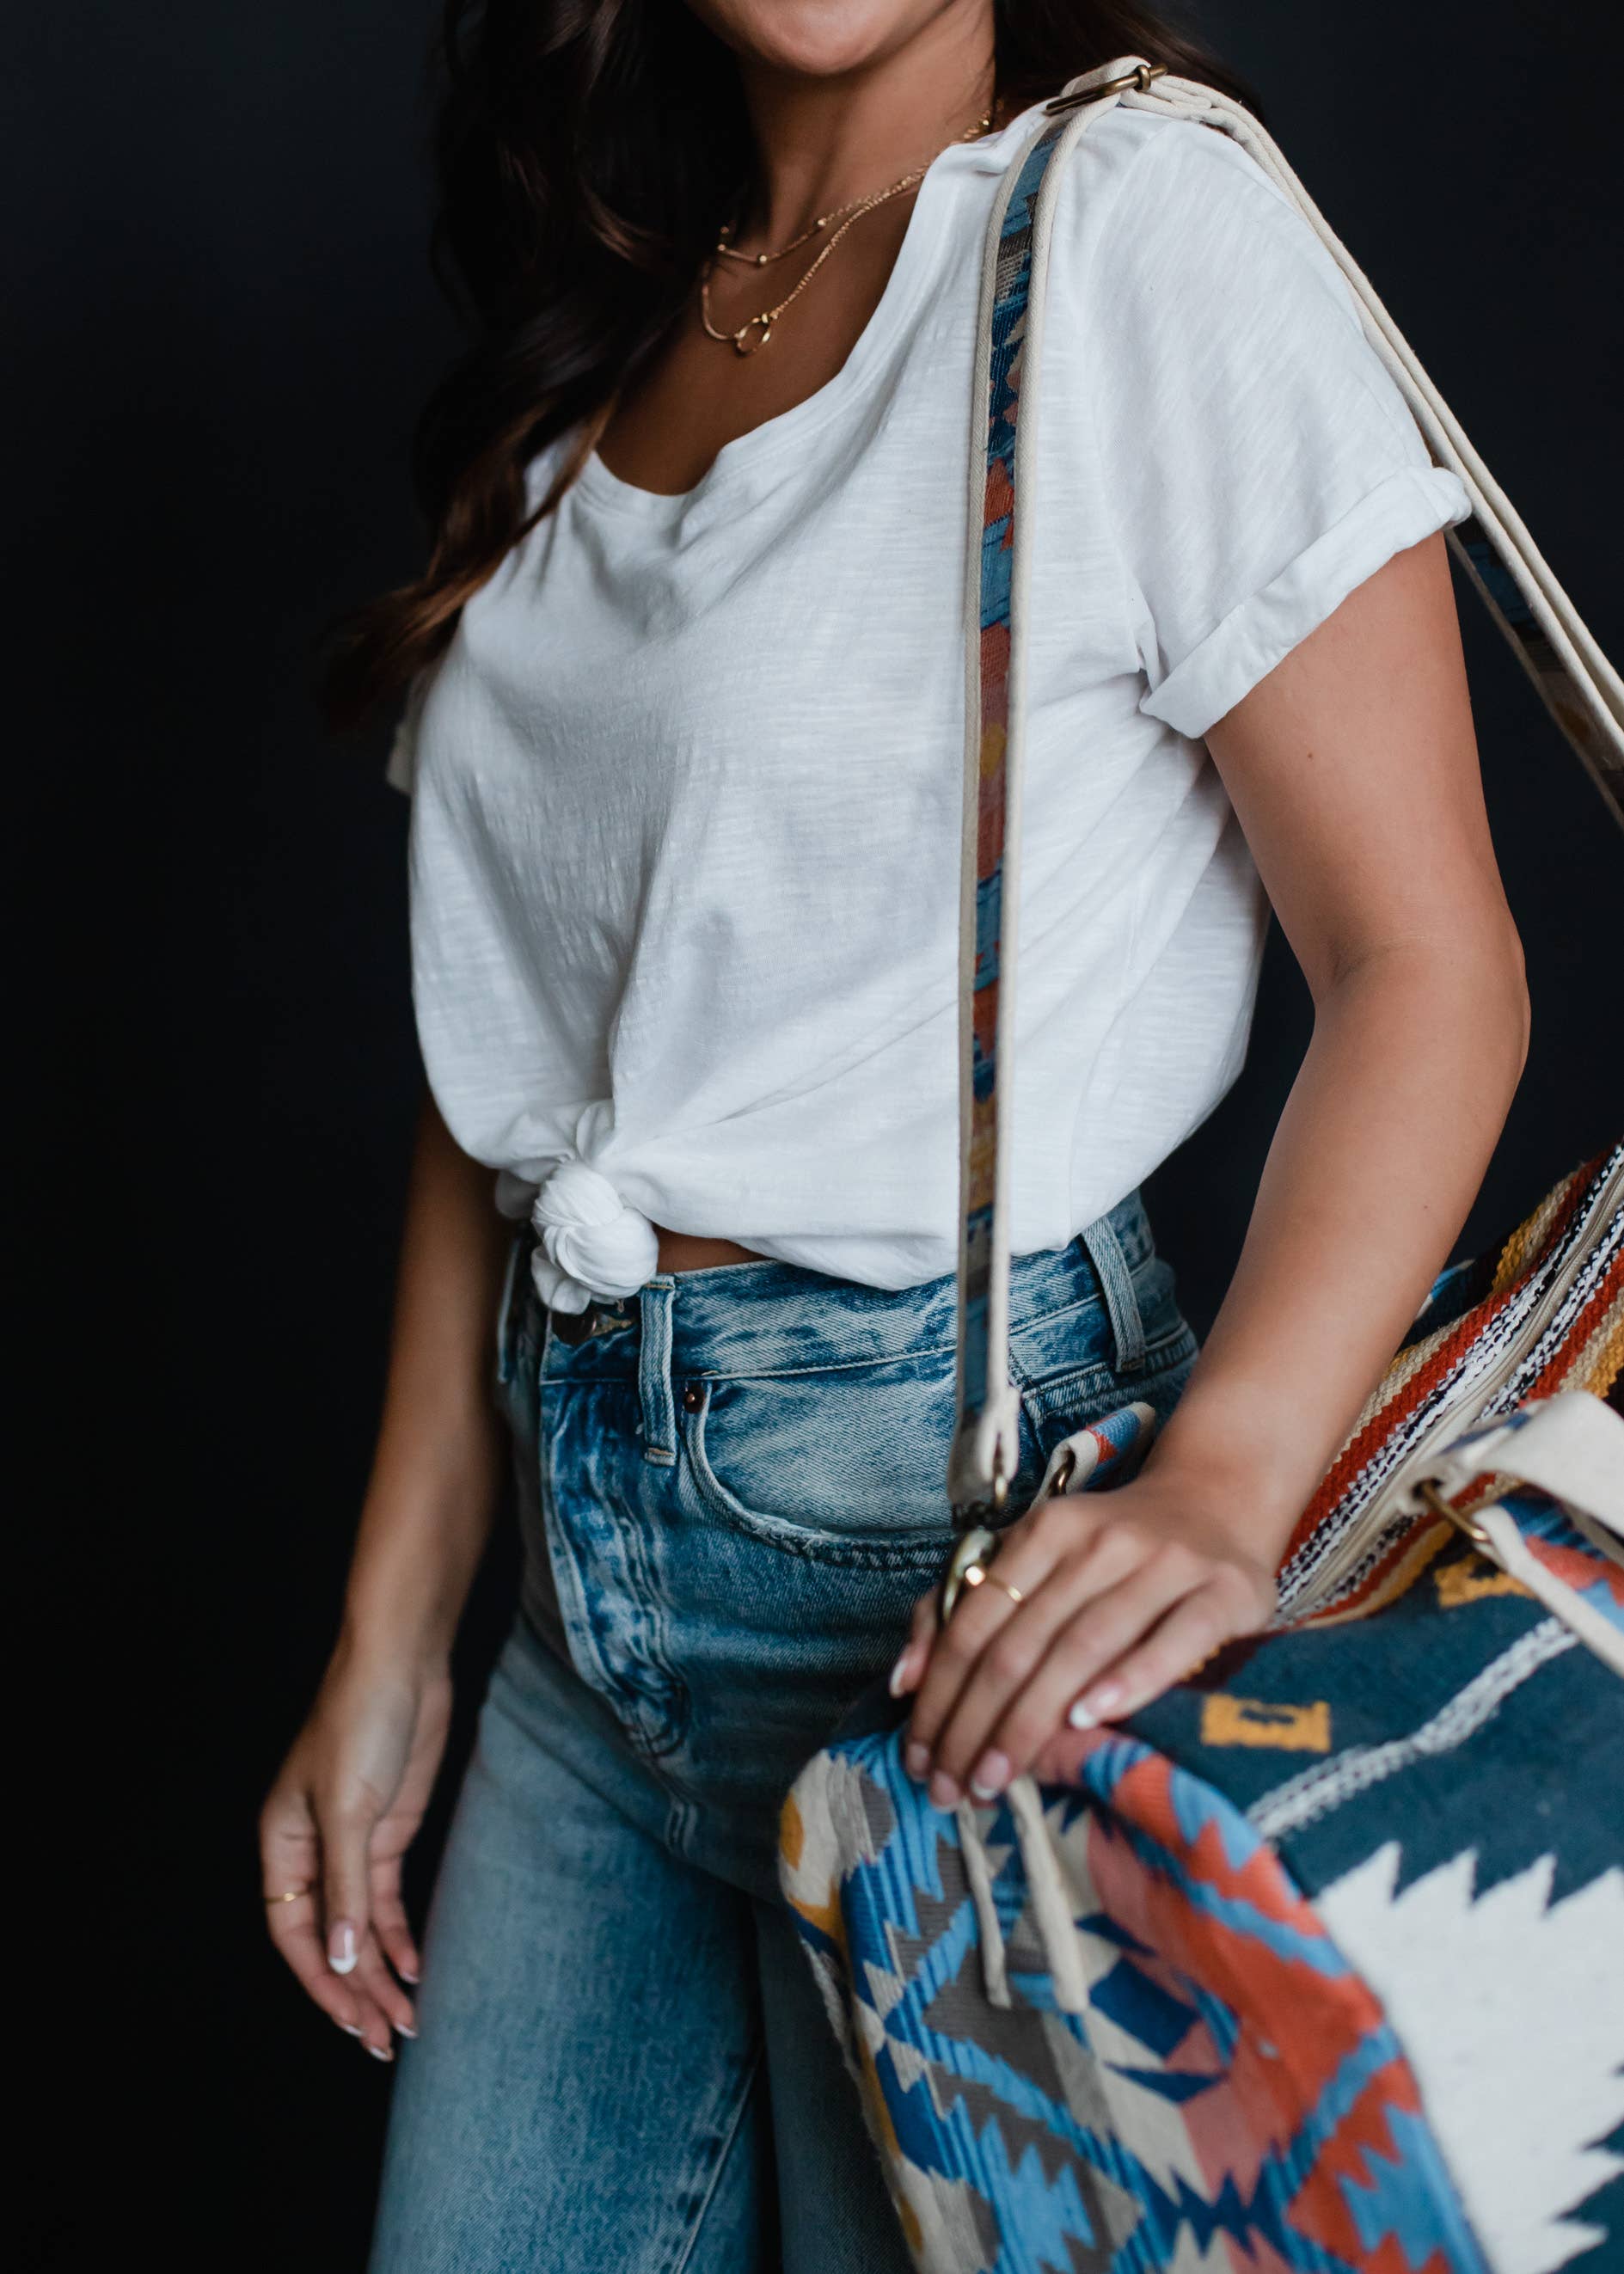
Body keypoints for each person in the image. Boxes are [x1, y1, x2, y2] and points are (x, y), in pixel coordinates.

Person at [260, 2, 1529, 2267]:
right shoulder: (612, 316)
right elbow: (517, 1083)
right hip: (578, 1615)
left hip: (951, 1572)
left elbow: (1430, 963)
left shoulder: (1130, 227)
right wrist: (392, 1633)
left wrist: (1225, 1483)